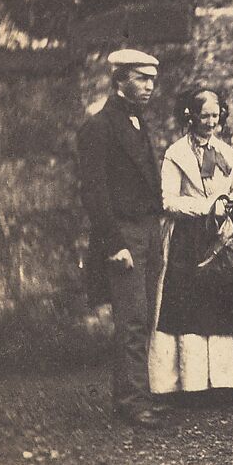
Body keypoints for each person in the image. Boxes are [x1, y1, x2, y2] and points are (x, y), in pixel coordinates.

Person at [150, 86, 233, 403]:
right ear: (189, 116)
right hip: (189, 241)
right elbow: (167, 201)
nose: (210, 122)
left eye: (215, 115)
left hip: (225, 236)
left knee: (229, 301)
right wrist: (208, 207)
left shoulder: (227, 153)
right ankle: (192, 383)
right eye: (203, 115)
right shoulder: (176, 154)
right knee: (189, 307)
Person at [77, 49, 167, 428]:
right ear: (119, 80)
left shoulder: (135, 121)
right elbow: (94, 192)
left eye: (151, 78)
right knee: (131, 318)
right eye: (141, 78)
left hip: (148, 229)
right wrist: (114, 244)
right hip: (124, 233)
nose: (150, 86)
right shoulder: (99, 126)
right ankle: (133, 401)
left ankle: (131, 394)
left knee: (143, 316)